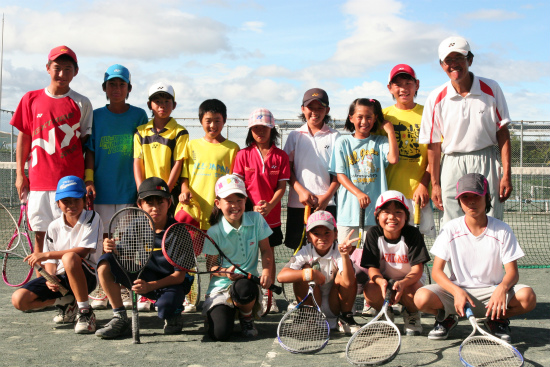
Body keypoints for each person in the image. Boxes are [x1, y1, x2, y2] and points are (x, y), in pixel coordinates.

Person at [414, 173, 536, 342]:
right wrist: (456, 291)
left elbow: (512, 273)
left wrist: (501, 289)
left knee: (528, 297)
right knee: (421, 298)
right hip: (457, 293)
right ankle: (448, 316)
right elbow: (436, 272)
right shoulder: (450, 229)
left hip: (492, 292)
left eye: (476, 196)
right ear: (459, 201)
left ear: (487, 198)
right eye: (465, 197)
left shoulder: (502, 229)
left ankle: (496, 318)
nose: (471, 201)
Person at [419, 36, 513, 225]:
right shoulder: (435, 97)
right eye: (448, 60)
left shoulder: (492, 89)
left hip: (486, 159)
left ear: (470, 60)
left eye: (459, 58)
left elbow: (503, 133)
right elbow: (434, 145)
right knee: (452, 223)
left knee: (490, 219)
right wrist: (435, 184)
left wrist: (506, 175)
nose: (454, 64)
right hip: (452, 162)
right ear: (441, 65)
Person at [10, 45, 93, 257]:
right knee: (41, 239)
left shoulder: (82, 102)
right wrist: (21, 174)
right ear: (47, 68)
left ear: (75, 71)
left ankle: (67, 289)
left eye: (68, 69)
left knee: (67, 239)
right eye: (57, 68)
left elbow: (85, 142)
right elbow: (24, 138)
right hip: (38, 184)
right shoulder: (30, 99)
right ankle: (42, 288)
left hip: (69, 185)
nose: (62, 74)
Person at [95, 177, 193, 338]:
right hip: (144, 277)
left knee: (167, 306)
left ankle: (173, 314)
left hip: (172, 283)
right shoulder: (136, 225)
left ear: (169, 203)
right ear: (140, 205)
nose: (155, 208)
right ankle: (119, 316)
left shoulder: (179, 231)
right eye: (149, 203)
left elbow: (179, 276)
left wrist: (149, 286)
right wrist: (111, 248)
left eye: (160, 202)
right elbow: (124, 254)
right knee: (106, 262)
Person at [84, 64, 148, 310]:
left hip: (128, 192)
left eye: (122, 84)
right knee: (103, 241)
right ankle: (104, 286)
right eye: (112, 84)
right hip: (101, 191)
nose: (117, 89)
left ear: (129, 89)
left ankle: (123, 288)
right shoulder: (96, 116)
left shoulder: (139, 115)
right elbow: (90, 150)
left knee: (127, 243)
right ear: (105, 88)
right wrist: (89, 179)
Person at [11, 176, 103, 334]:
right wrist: (50, 277)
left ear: (84, 200)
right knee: (19, 300)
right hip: (62, 277)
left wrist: (44, 255)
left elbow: (82, 251)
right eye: (66, 201)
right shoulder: (53, 226)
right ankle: (66, 301)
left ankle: (85, 312)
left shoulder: (93, 218)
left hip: (87, 276)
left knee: (70, 257)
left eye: (76, 200)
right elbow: (52, 262)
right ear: (58, 203)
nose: (71, 205)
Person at [202, 175, 273, 340]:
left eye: (239, 200)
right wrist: (226, 272)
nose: (235, 206)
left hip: (246, 286)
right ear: (218, 203)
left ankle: (246, 316)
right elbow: (210, 267)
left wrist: (267, 271)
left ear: (245, 200)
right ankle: (222, 312)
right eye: (229, 201)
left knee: (244, 286)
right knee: (219, 333)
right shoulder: (213, 231)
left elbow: (266, 250)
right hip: (220, 287)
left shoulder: (256, 219)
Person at [233, 108, 290, 314]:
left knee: (269, 256)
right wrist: (251, 205)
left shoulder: (281, 156)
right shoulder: (242, 155)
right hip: (247, 216)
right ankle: (249, 294)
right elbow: (238, 187)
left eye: (264, 127)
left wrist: (269, 206)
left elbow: (281, 187)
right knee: (246, 256)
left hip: (271, 219)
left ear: (271, 128)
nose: (260, 131)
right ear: (250, 130)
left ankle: (269, 296)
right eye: (256, 128)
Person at [277, 210, 360, 335]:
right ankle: (308, 318)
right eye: (316, 234)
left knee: (343, 276)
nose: (322, 238)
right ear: (309, 237)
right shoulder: (305, 251)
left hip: (336, 306)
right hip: (313, 305)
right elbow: (281, 276)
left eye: (327, 233)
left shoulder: (339, 252)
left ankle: (345, 318)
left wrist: (345, 256)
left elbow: (348, 283)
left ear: (336, 234)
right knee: (304, 271)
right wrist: (311, 274)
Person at [376, 64, 435, 237]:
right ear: (390, 88)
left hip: (418, 194)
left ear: (417, 84)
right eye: (398, 84)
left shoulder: (429, 114)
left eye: (408, 83)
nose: (403, 89)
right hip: (387, 193)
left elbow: (435, 154)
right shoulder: (381, 116)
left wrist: (424, 184)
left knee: (416, 246)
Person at [361, 190, 431, 336]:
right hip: (384, 281)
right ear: (377, 215)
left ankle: (411, 314)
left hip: (409, 282)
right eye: (386, 212)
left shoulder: (412, 234)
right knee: (370, 290)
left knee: (416, 295)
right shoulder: (373, 234)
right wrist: (381, 282)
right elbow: (372, 269)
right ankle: (385, 313)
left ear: (406, 216)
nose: (392, 217)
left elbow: (417, 270)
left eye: (398, 212)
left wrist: (403, 283)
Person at [330, 98, 399, 244]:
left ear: (375, 119)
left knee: (371, 259)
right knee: (346, 256)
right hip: (348, 213)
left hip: (374, 214)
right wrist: (358, 193)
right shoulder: (343, 142)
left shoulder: (380, 142)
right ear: (351, 118)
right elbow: (340, 175)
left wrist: (390, 131)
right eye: (360, 117)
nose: (364, 121)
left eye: (369, 117)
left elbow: (393, 159)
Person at [283, 88, 340, 250]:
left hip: (327, 205)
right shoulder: (295, 135)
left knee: (327, 250)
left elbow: (340, 174)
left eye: (320, 108)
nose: (315, 112)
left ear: (327, 110)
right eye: (310, 108)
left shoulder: (335, 136)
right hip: (298, 205)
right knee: (299, 251)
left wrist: (327, 196)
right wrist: (300, 191)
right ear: (302, 109)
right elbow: (287, 168)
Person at [179, 99, 240, 231]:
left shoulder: (233, 148)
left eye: (217, 120)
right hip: (194, 209)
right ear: (201, 120)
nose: (213, 125)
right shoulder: (191, 146)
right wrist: (184, 190)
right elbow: (184, 176)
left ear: (224, 120)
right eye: (208, 121)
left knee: (214, 251)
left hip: (219, 211)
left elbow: (235, 181)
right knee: (192, 250)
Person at [133, 82, 188, 193]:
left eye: (167, 101)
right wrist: (140, 189)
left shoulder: (180, 132)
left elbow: (178, 163)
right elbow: (138, 162)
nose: (162, 105)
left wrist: (166, 190)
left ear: (174, 104)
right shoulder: (140, 132)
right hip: (147, 191)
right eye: (157, 101)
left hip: (170, 192)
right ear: (149, 105)